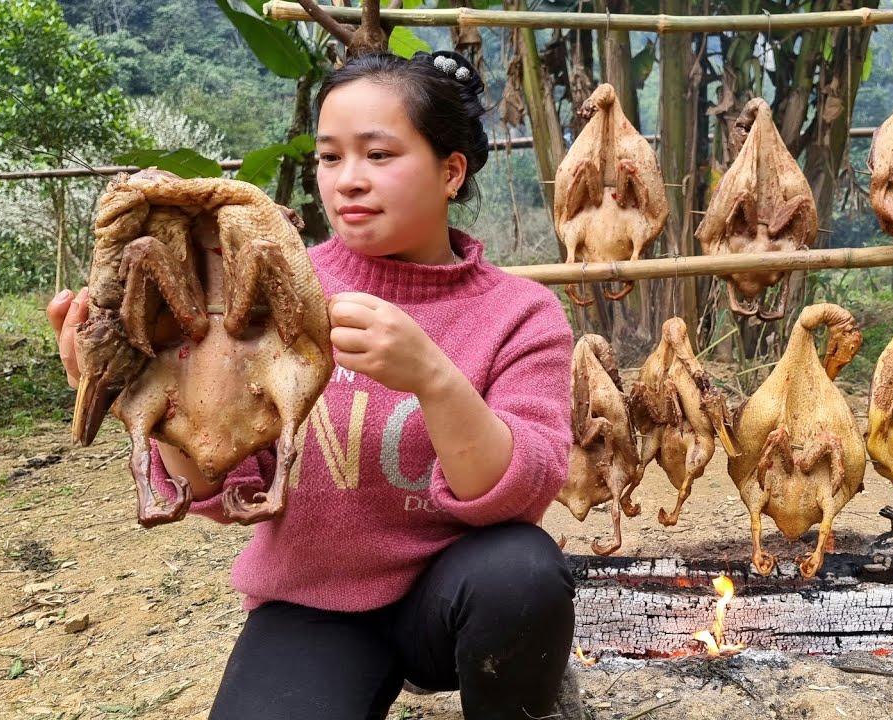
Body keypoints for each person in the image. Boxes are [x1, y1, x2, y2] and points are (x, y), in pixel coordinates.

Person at [47, 50, 577, 720]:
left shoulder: (519, 313)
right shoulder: (266, 286)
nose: (348, 180)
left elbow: (521, 494)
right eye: (330, 157)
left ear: (451, 170)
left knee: (522, 572)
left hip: (456, 596)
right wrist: (142, 405)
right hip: (314, 602)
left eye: (379, 155)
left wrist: (434, 379)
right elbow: (215, 477)